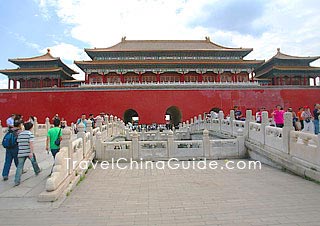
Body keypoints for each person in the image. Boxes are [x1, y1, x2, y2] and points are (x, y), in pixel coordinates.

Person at [14, 122, 41, 186]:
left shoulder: (20, 134)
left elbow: (18, 142)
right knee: (34, 162)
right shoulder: (30, 134)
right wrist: (31, 152)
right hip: (28, 152)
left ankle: (16, 181)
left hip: (21, 152)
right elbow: (31, 144)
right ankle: (37, 171)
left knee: (19, 167)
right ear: (31, 127)